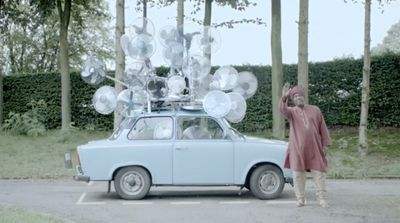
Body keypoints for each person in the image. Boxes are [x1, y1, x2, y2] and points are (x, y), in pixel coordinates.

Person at [279, 83, 331, 208]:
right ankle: (301, 199)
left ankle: (322, 199)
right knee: (297, 175)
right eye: (295, 97)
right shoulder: (291, 112)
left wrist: (326, 144)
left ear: (304, 97)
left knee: (319, 174)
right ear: (293, 100)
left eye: (300, 96)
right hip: (297, 149)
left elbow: (322, 128)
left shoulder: (315, 110)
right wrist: (284, 98)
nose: (298, 98)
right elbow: (282, 110)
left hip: (315, 148)